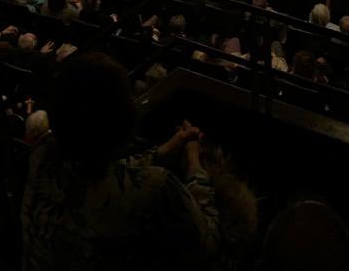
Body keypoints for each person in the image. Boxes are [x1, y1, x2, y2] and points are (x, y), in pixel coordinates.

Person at [21, 53, 221, 271]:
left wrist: (165, 150)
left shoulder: (42, 155)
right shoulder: (156, 188)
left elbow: (108, 174)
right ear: (125, 120)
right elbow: (207, 243)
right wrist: (194, 161)